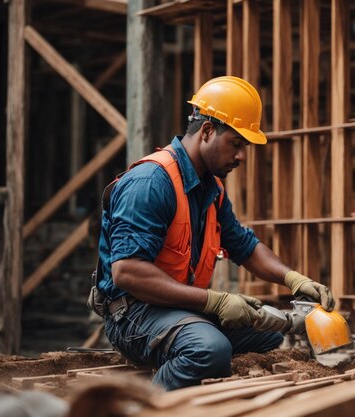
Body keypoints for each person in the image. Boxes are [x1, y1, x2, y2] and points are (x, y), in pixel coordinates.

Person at [95, 75, 335, 391]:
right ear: (207, 131)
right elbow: (128, 273)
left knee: (267, 335)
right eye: (236, 144)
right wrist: (216, 302)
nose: (242, 156)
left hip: (180, 307)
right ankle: (150, 407)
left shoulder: (211, 188)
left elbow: (243, 245)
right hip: (133, 314)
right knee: (208, 350)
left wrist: (294, 279)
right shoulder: (151, 183)